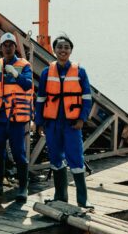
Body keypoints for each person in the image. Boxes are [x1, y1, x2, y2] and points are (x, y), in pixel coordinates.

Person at [34, 33, 93, 209]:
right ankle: (60, 197)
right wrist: (38, 122)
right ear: (54, 49)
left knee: (76, 159)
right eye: (59, 47)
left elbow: (87, 98)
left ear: (71, 50)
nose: (63, 50)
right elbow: (40, 99)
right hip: (52, 123)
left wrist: (82, 118)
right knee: (55, 158)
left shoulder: (80, 72)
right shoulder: (46, 72)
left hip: (72, 124)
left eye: (66, 47)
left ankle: (83, 199)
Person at [0, 32, 33, 201]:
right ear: (1, 47)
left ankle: (23, 188)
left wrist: (16, 75)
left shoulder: (24, 65)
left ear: (15, 47)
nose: (8, 47)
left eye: (11, 45)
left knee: (19, 153)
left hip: (16, 118)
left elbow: (28, 84)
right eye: (5, 45)